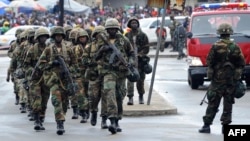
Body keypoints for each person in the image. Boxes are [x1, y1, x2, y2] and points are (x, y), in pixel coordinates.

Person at [198, 23, 245, 134]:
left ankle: (206, 126)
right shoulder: (236, 46)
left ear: (219, 33)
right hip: (230, 81)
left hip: (217, 80)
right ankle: (225, 127)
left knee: (213, 103)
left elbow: (209, 61)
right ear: (230, 33)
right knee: (228, 104)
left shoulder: (215, 46)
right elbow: (241, 63)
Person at [95, 18, 135, 134]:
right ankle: (112, 120)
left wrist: (131, 62)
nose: (112, 30)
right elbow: (95, 57)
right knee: (110, 94)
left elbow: (131, 53)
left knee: (119, 96)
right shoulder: (101, 40)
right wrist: (102, 50)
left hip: (121, 72)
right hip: (108, 72)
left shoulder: (123, 40)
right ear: (107, 30)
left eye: (114, 29)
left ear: (117, 29)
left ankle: (117, 120)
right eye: (110, 29)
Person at [37, 26, 78, 135]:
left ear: (63, 37)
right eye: (56, 36)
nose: (58, 37)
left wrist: (69, 71)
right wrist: (51, 64)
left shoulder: (68, 49)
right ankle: (59, 123)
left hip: (65, 80)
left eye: (60, 36)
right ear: (54, 37)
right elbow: (41, 65)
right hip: (54, 79)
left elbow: (75, 64)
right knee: (56, 101)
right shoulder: (48, 49)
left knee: (64, 103)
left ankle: (62, 117)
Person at [23, 27, 50, 131]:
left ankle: (41, 117)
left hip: (46, 78)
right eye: (41, 37)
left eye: (44, 37)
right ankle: (37, 120)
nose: (43, 39)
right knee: (36, 99)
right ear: (37, 38)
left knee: (44, 100)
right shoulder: (32, 50)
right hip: (35, 79)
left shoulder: (50, 49)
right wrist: (32, 71)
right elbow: (26, 65)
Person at [124, 17, 150, 105]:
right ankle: (130, 97)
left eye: (135, 23)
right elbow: (124, 48)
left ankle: (141, 96)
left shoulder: (143, 35)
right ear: (130, 25)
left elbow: (146, 47)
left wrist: (140, 54)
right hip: (130, 61)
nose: (134, 24)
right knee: (130, 80)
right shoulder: (127, 36)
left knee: (140, 80)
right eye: (132, 23)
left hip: (140, 61)